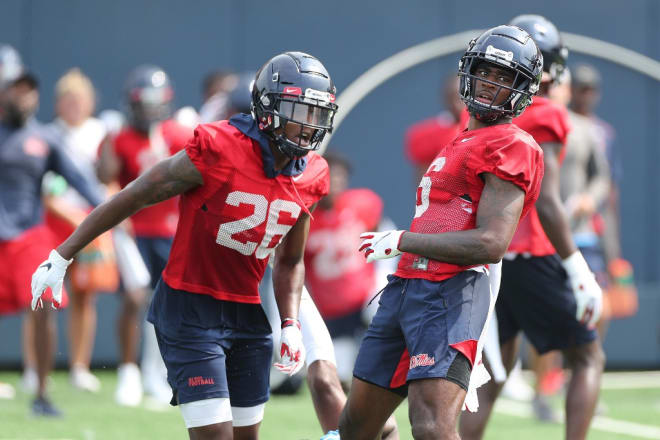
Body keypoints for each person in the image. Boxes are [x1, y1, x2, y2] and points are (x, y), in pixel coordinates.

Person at [32, 51, 336, 439]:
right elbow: (136, 194)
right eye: (299, 111)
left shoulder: (313, 174)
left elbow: (290, 261)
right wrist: (62, 255)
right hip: (189, 309)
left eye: (316, 114)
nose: (308, 126)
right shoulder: (218, 146)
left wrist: (290, 323)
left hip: (247, 313)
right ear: (267, 108)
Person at [338, 25, 545, 439]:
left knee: (432, 428)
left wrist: (401, 241)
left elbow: (491, 243)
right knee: (356, 428)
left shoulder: (511, 145)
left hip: (450, 293)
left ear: (522, 91)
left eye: (506, 79)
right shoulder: (462, 138)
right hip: (406, 288)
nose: (491, 83)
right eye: (487, 71)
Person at [228, 72, 398, 440]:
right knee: (319, 381)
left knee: (352, 387)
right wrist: (287, 322)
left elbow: (387, 246)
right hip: (311, 305)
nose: (333, 183)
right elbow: (282, 263)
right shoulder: (294, 198)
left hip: (358, 309)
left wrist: (382, 293)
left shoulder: (357, 201)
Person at [459, 15, 606, 440]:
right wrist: (577, 269)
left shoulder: (478, 115)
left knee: (493, 371)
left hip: (486, 257)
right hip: (531, 254)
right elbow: (546, 200)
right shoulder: (546, 113)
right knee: (588, 357)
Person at [0, 69, 103, 416]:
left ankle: (42, 393)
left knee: (45, 304)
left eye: (29, 91)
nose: (23, 97)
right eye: (16, 90)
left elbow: (81, 181)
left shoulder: (43, 139)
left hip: (28, 236)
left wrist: (115, 208)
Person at [96, 64, 193, 406]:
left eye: (156, 101)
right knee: (136, 297)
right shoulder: (121, 136)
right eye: (145, 101)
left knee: (165, 305)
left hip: (171, 230)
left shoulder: (178, 133)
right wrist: (108, 137)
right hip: (133, 229)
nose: (150, 108)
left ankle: (156, 374)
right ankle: (128, 371)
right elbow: (104, 175)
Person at [39, 68, 117, 393]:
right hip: (55, 220)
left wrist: (105, 211)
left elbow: (113, 180)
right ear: (58, 103)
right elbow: (45, 190)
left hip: (92, 219)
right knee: (45, 295)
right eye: (68, 99)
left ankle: (79, 366)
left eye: (80, 99)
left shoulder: (101, 132)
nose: (74, 105)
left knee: (86, 295)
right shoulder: (47, 134)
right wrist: (72, 215)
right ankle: (37, 369)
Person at [404, 75, 467, 183]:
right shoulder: (427, 134)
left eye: (463, 97)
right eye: (453, 97)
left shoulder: (486, 128)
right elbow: (422, 178)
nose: (457, 103)